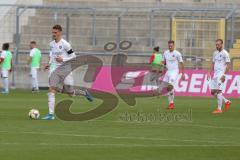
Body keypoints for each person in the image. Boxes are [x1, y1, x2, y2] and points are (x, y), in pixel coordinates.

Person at [41, 24, 93, 120]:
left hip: (65, 69)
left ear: (60, 33)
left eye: (55, 33)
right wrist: (48, 63)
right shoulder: (51, 44)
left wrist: (63, 59)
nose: (53, 34)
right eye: (52, 32)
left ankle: (84, 93)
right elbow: (52, 55)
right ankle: (51, 114)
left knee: (70, 93)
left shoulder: (65, 44)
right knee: (51, 89)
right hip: (55, 70)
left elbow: (73, 56)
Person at [208, 39, 231, 114]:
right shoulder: (215, 53)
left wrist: (224, 75)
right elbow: (213, 63)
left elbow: (228, 65)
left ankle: (219, 109)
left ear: (221, 44)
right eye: (216, 44)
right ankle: (226, 101)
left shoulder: (225, 53)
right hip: (215, 74)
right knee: (213, 92)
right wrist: (209, 72)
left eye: (218, 44)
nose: (217, 46)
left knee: (219, 91)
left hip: (221, 74)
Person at [163, 40, 185, 109]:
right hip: (168, 72)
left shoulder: (177, 53)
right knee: (167, 88)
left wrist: (183, 74)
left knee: (170, 86)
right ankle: (170, 103)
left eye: (171, 46)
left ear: (174, 46)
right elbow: (164, 62)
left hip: (174, 72)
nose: (170, 47)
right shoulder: (165, 53)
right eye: (169, 46)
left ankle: (171, 103)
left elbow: (181, 64)